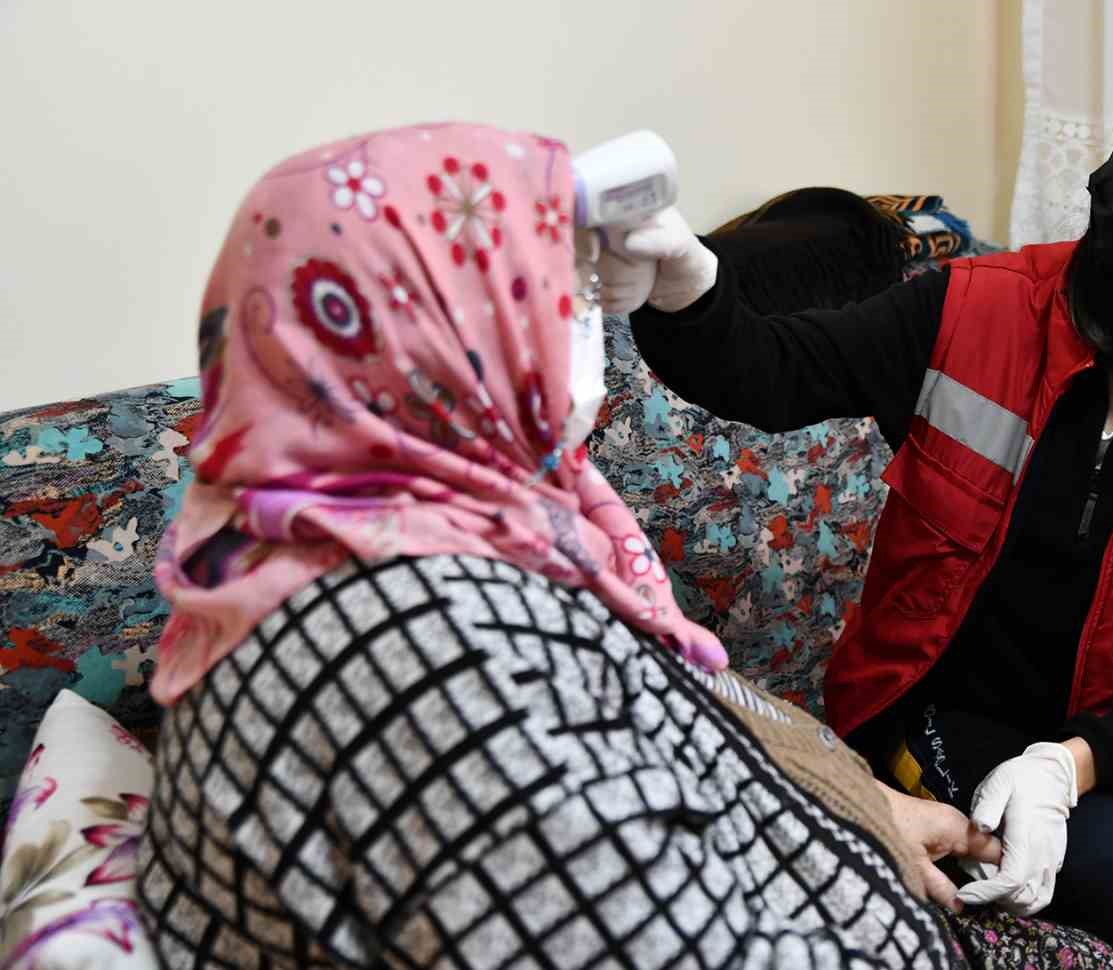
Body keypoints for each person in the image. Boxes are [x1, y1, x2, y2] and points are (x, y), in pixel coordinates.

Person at [134, 123, 1001, 968]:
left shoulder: (376, 540)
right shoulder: (427, 650)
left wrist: (856, 810)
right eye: (553, 292)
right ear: (436, 339)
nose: (583, 326)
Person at [603, 35, 1113, 969]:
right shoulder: (972, 308)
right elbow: (768, 372)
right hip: (944, 706)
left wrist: (1073, 765)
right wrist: (687, 284)